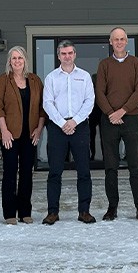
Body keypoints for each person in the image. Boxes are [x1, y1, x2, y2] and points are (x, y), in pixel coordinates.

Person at [95, 26, 138, 222]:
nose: (119, 42)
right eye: (115, 39)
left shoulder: (136, 63)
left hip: (131, 119)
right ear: (110, 42)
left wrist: (123, 110)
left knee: (135, 166)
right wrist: (111, 113)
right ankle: (112, 207)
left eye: (122, 39)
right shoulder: (104, 65)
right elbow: (99, 92)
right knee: (111, 166)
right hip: (109, 120)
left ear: (126, 41)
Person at [41, 40, 97, 225]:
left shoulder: (85, 76)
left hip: (79, 126)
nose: (67, 56)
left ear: (75, 54)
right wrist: (62, 122)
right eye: (63, 53)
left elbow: (89, 101)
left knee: (84, 171)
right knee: (55, 172)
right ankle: (52, 212)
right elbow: (47, 103)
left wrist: (74, 121)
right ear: (58, 56)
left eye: (70, 53)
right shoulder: (51, 78)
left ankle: (84, 211)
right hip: (57, 128)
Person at [0, 46, 47, 225]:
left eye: (20, 58)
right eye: (14, 58)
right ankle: (10, 213)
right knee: (10, 172)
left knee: (26, 173)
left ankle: (25, 212)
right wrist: (4, 131)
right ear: (9, 61)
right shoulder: (3, 80)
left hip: (30, 135)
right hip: (10, 135)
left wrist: (39, 129)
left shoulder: (34, 80)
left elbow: (42, 107)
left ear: (25, 60)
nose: (17, 61)